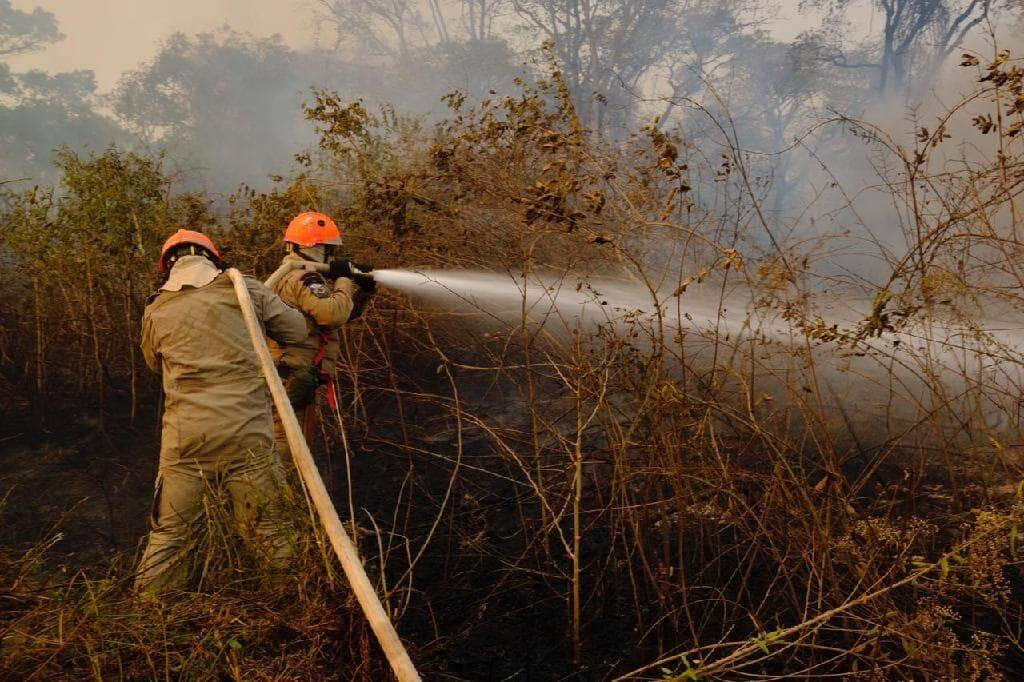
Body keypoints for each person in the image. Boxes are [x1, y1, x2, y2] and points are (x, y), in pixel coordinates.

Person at [135, 229, 308, 594]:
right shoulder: (243, 289)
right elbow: (296, 330)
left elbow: (153, 363)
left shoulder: (156, 308)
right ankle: (292, 607)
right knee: (270, 529)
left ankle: (152, 621)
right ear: (215, 257)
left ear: (166, 267)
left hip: (186, 441)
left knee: (170, 535)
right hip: (246, 435)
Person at [268, 211, 376, 460]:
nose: (332, 255)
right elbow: (331, 314)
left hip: (293, 376)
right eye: (329, 249)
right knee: (286, 445)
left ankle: (287, 493)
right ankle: (282, 495)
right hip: (291, 376)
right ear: (316, 248)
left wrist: (364, 292)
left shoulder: (290, 275)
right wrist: (344, 278)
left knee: (289, 441)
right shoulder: (304, 277)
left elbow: (336, 316)